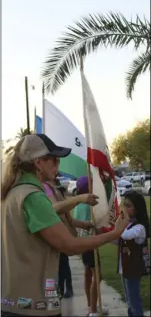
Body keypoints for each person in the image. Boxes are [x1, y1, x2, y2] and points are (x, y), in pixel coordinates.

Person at [1, 133, 129, 317]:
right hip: (33, 305)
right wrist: (114, 233)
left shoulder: (12, 193)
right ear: (38, 163)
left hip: (12, 301)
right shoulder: (32, 197)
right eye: (53, 159)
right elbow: (69, 245)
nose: (58, 165)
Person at [43, 178, 94, 299]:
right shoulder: (43, 188)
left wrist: (85, 225)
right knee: (55, 279)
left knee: (63, 270)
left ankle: (66, 290)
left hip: (62, 242)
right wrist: (78, 199)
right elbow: (53, 209)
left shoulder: (54, 190)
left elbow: (70, 220)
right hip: (52, 243)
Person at [74, 176, 109, 317]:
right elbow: (95, 226)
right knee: (98, 276)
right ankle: (93, 310)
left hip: (83, 244)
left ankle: (91, 305)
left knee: (88, 273)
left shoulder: (78, 205)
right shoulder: (90, 206)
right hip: (90, 245)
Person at [116, 191, 150, 317]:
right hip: (124, 268)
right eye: (124, 205)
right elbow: (117, 240)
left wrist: (120, 221)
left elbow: (123, 235)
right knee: (129, 300)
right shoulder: (128, 224)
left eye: (129, 206)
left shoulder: (139, 227)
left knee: (134, 301)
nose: (125, 208)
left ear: (137, 208)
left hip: (133, 268)